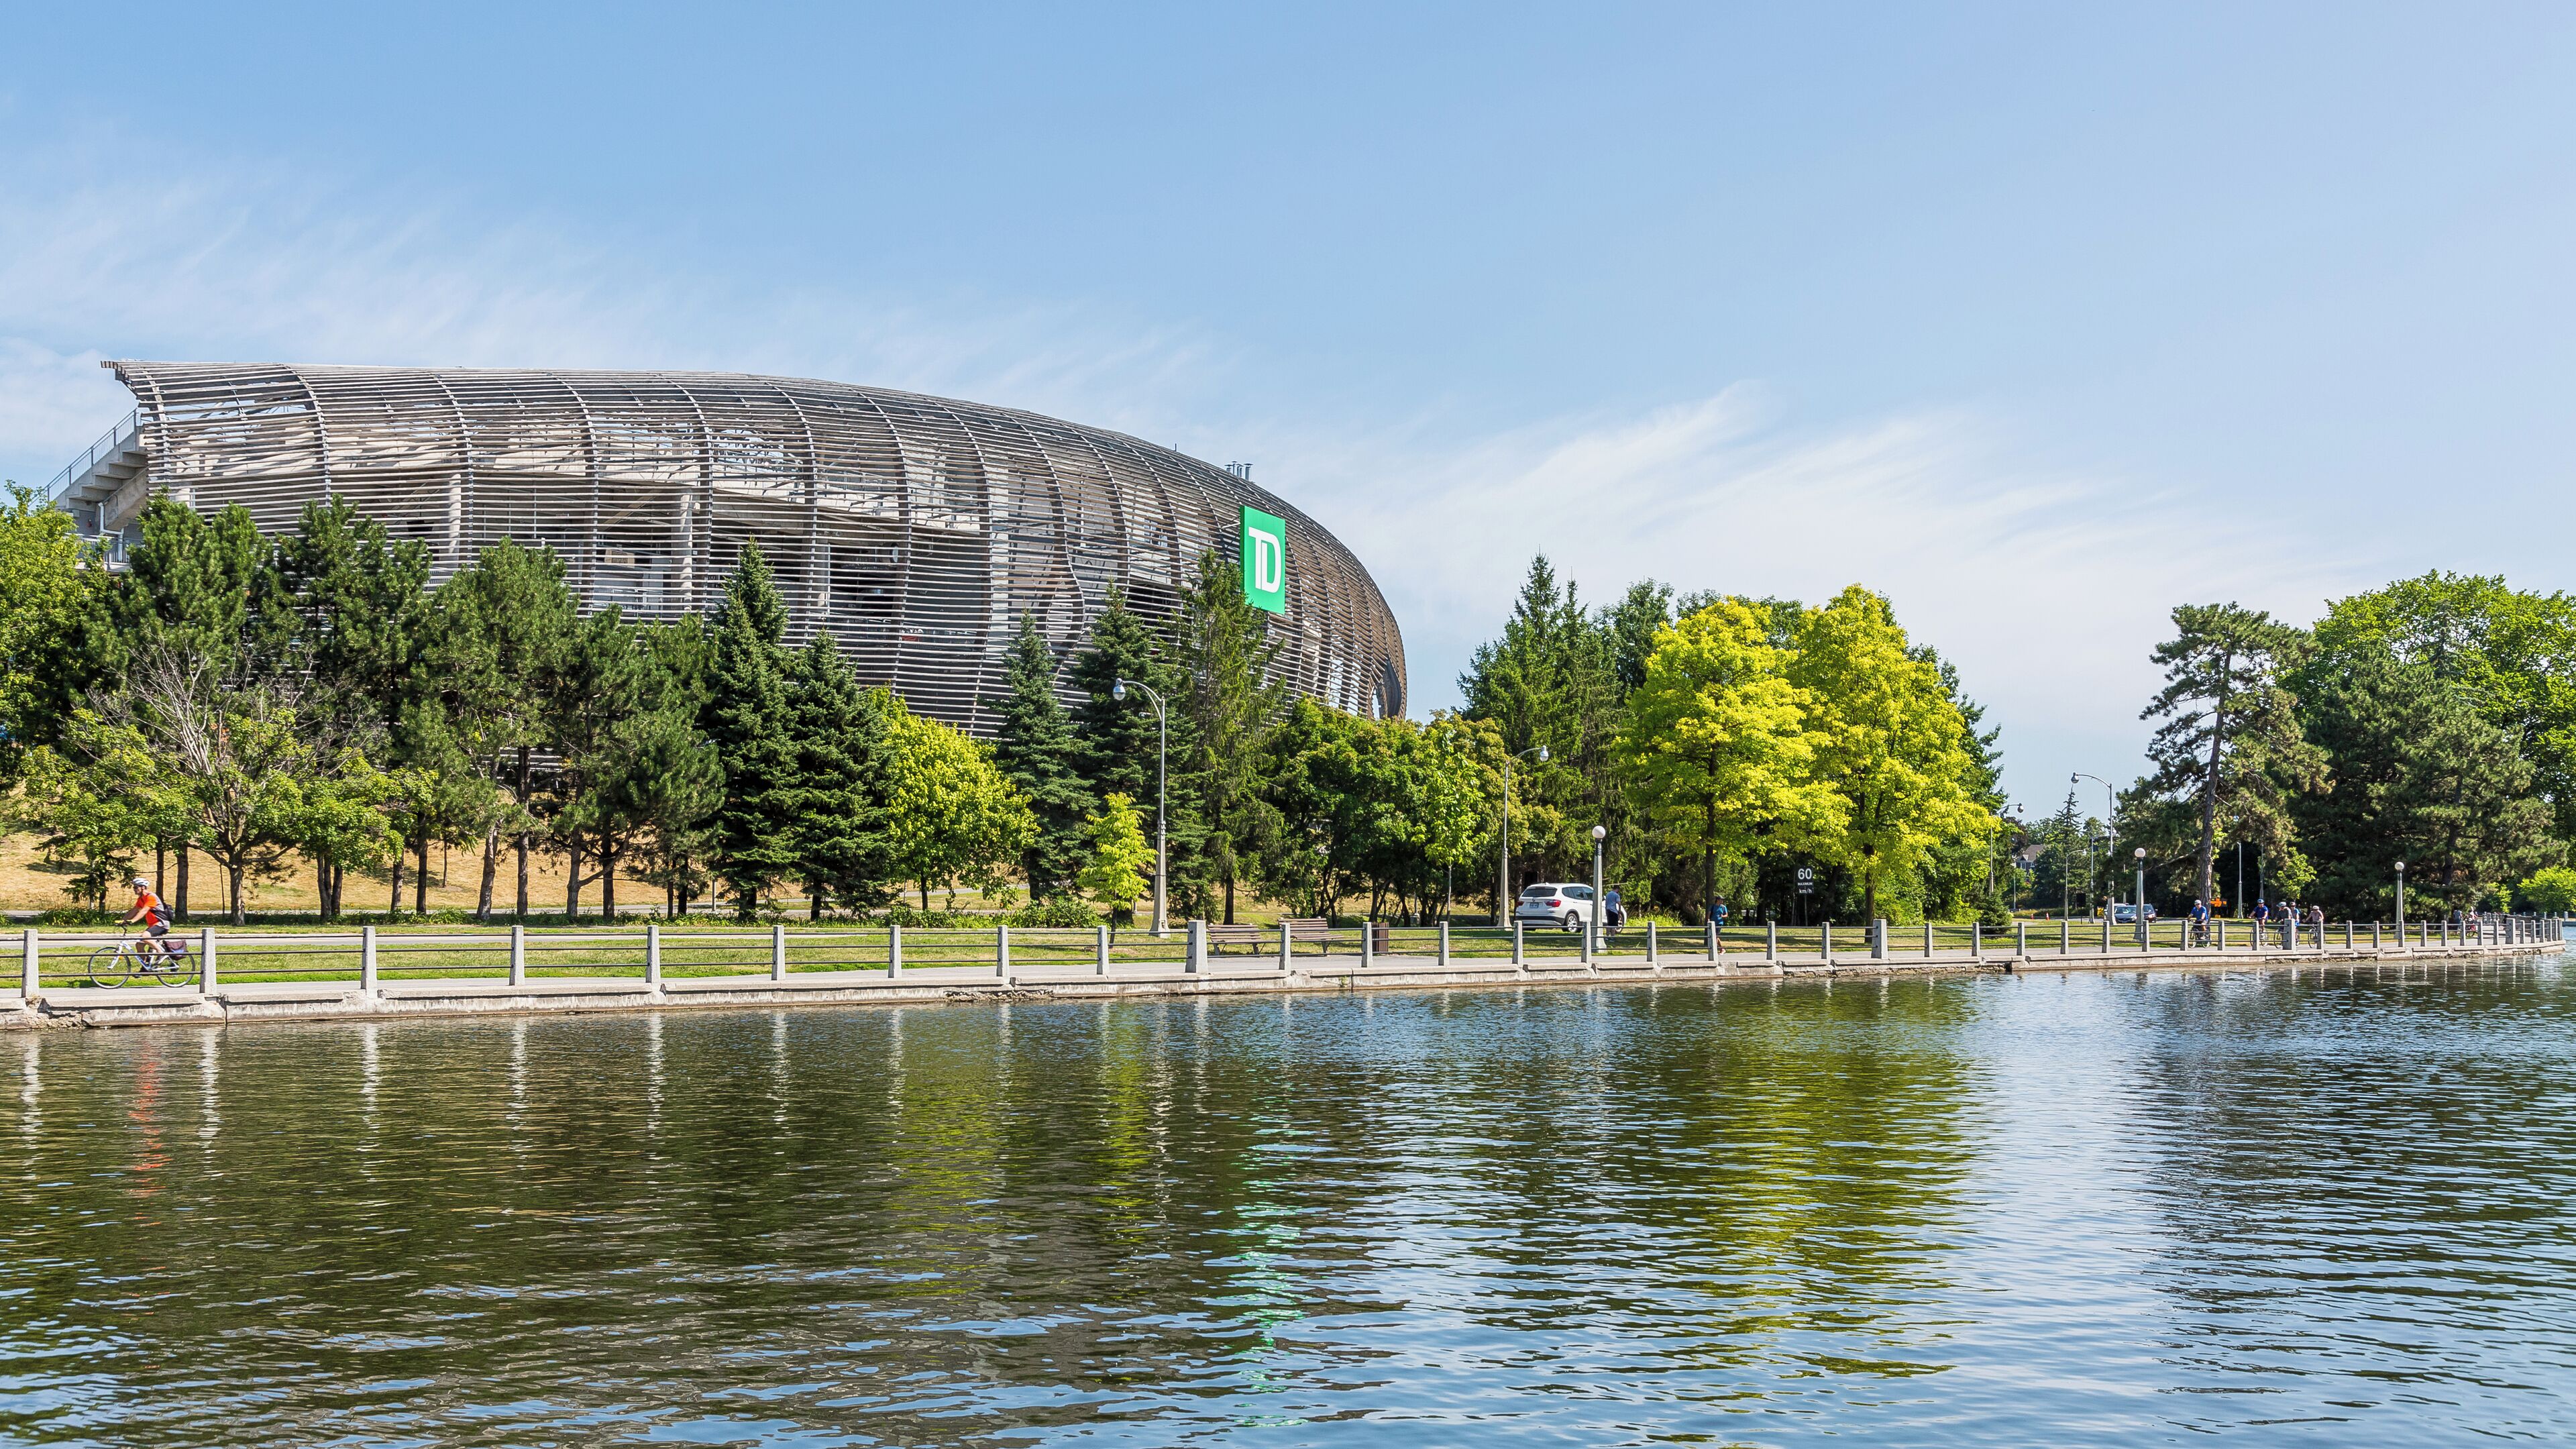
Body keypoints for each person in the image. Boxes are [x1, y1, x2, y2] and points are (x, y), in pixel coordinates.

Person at [121, 876, 183, 961]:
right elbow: (134, 910)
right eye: (134, 887)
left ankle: (161, 953)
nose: (134, 889)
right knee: (139, 945)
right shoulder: (141, 899)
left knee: (145, 936)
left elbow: (144, 911)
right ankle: (145, 967)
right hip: (153, 926)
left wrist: (133, 921)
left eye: (136, 887)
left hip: (161, 924)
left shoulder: (151, 897)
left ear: (143, 887)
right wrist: (123, 920)